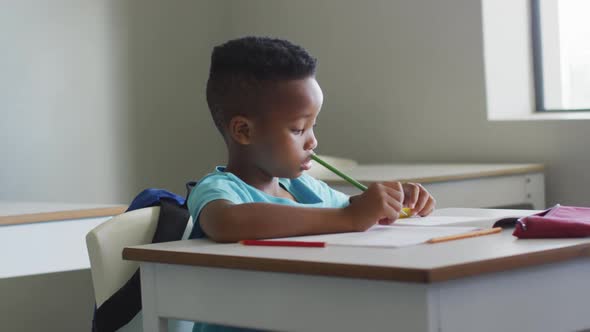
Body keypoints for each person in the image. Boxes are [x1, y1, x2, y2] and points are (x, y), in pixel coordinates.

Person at [187, 36, 435, 331]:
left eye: (312, 126)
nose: (313, 141)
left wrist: (388, 201)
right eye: (298, 129)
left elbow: (349, 210)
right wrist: (350, 217)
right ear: (243, 130)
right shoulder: (219, 189)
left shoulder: (304, 189)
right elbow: (227, 221)